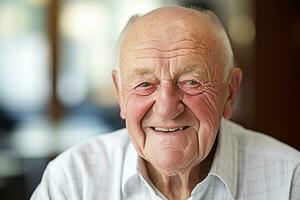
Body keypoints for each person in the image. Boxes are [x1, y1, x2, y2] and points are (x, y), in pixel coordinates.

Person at [31, 6, 300, 200]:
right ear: (120, 93)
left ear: (230, 92)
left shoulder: (290, 179)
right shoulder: (73, 180)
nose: (167, 108)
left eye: (191, 82)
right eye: (145, 84)